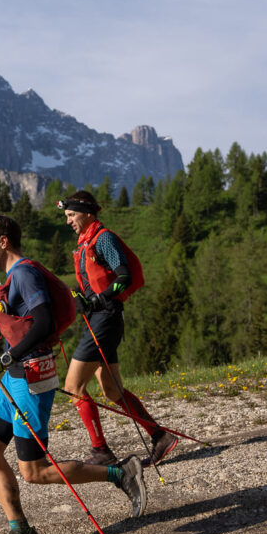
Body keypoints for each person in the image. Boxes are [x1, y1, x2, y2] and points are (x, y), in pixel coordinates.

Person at [0, 213, 146, 534]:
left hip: (30, 377)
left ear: (3, 241)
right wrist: (5, 361)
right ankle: (21, 532)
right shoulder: (14, 275)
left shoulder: (23, 273)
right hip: (12, 376)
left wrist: (5, 359)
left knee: (34, 471)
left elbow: (44, 323)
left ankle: (121, 473)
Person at [60, 191, 178, 467]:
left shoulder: (104, 238)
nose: (68, 222)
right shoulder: (87, 242)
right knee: (112, 391)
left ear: (87, 213)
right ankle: (160, 437)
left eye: (71, 215)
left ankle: (101, 450)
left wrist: (99, 299)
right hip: (102, 319)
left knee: (73, 386)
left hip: (106, 319)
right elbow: (94, 283)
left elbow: (124, 276)